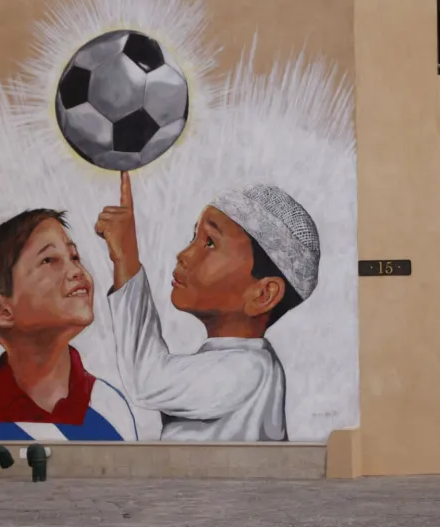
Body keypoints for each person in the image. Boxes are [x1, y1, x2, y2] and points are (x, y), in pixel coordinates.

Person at [95, 171, 320, 442]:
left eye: (210, 243)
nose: (184, 254)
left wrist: (126, 258)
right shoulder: (237, 362)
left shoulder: (248, 370)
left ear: (263, 294)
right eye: (194, 237)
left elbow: (146, 379)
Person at [0, 209, 138, 442]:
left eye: (74, 257)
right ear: (1, 310)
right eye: (49, 260)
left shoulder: (110, 407)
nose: (76, 271)